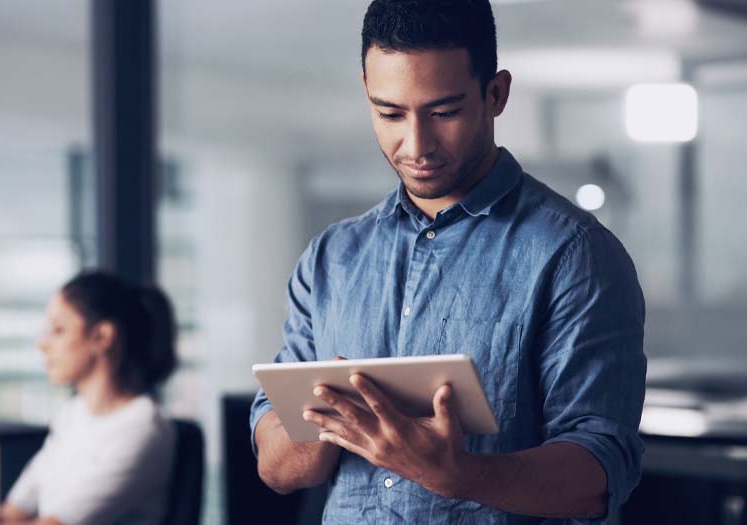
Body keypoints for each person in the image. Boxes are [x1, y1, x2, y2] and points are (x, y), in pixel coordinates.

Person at [250, 0, 647, 523]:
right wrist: (334, 422)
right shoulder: (331, 259)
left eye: (444, 112)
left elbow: (599, 473)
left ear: (496, 94)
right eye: (389, 113)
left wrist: (454, 473)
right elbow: (276, 468)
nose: (415, 144)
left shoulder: (576, 255)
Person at [0, 271, 178, 525]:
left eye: (58, 330)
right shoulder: (72, 414)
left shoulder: (143, 428)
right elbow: (11, 511)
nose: (43, 344)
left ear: (102, 337)